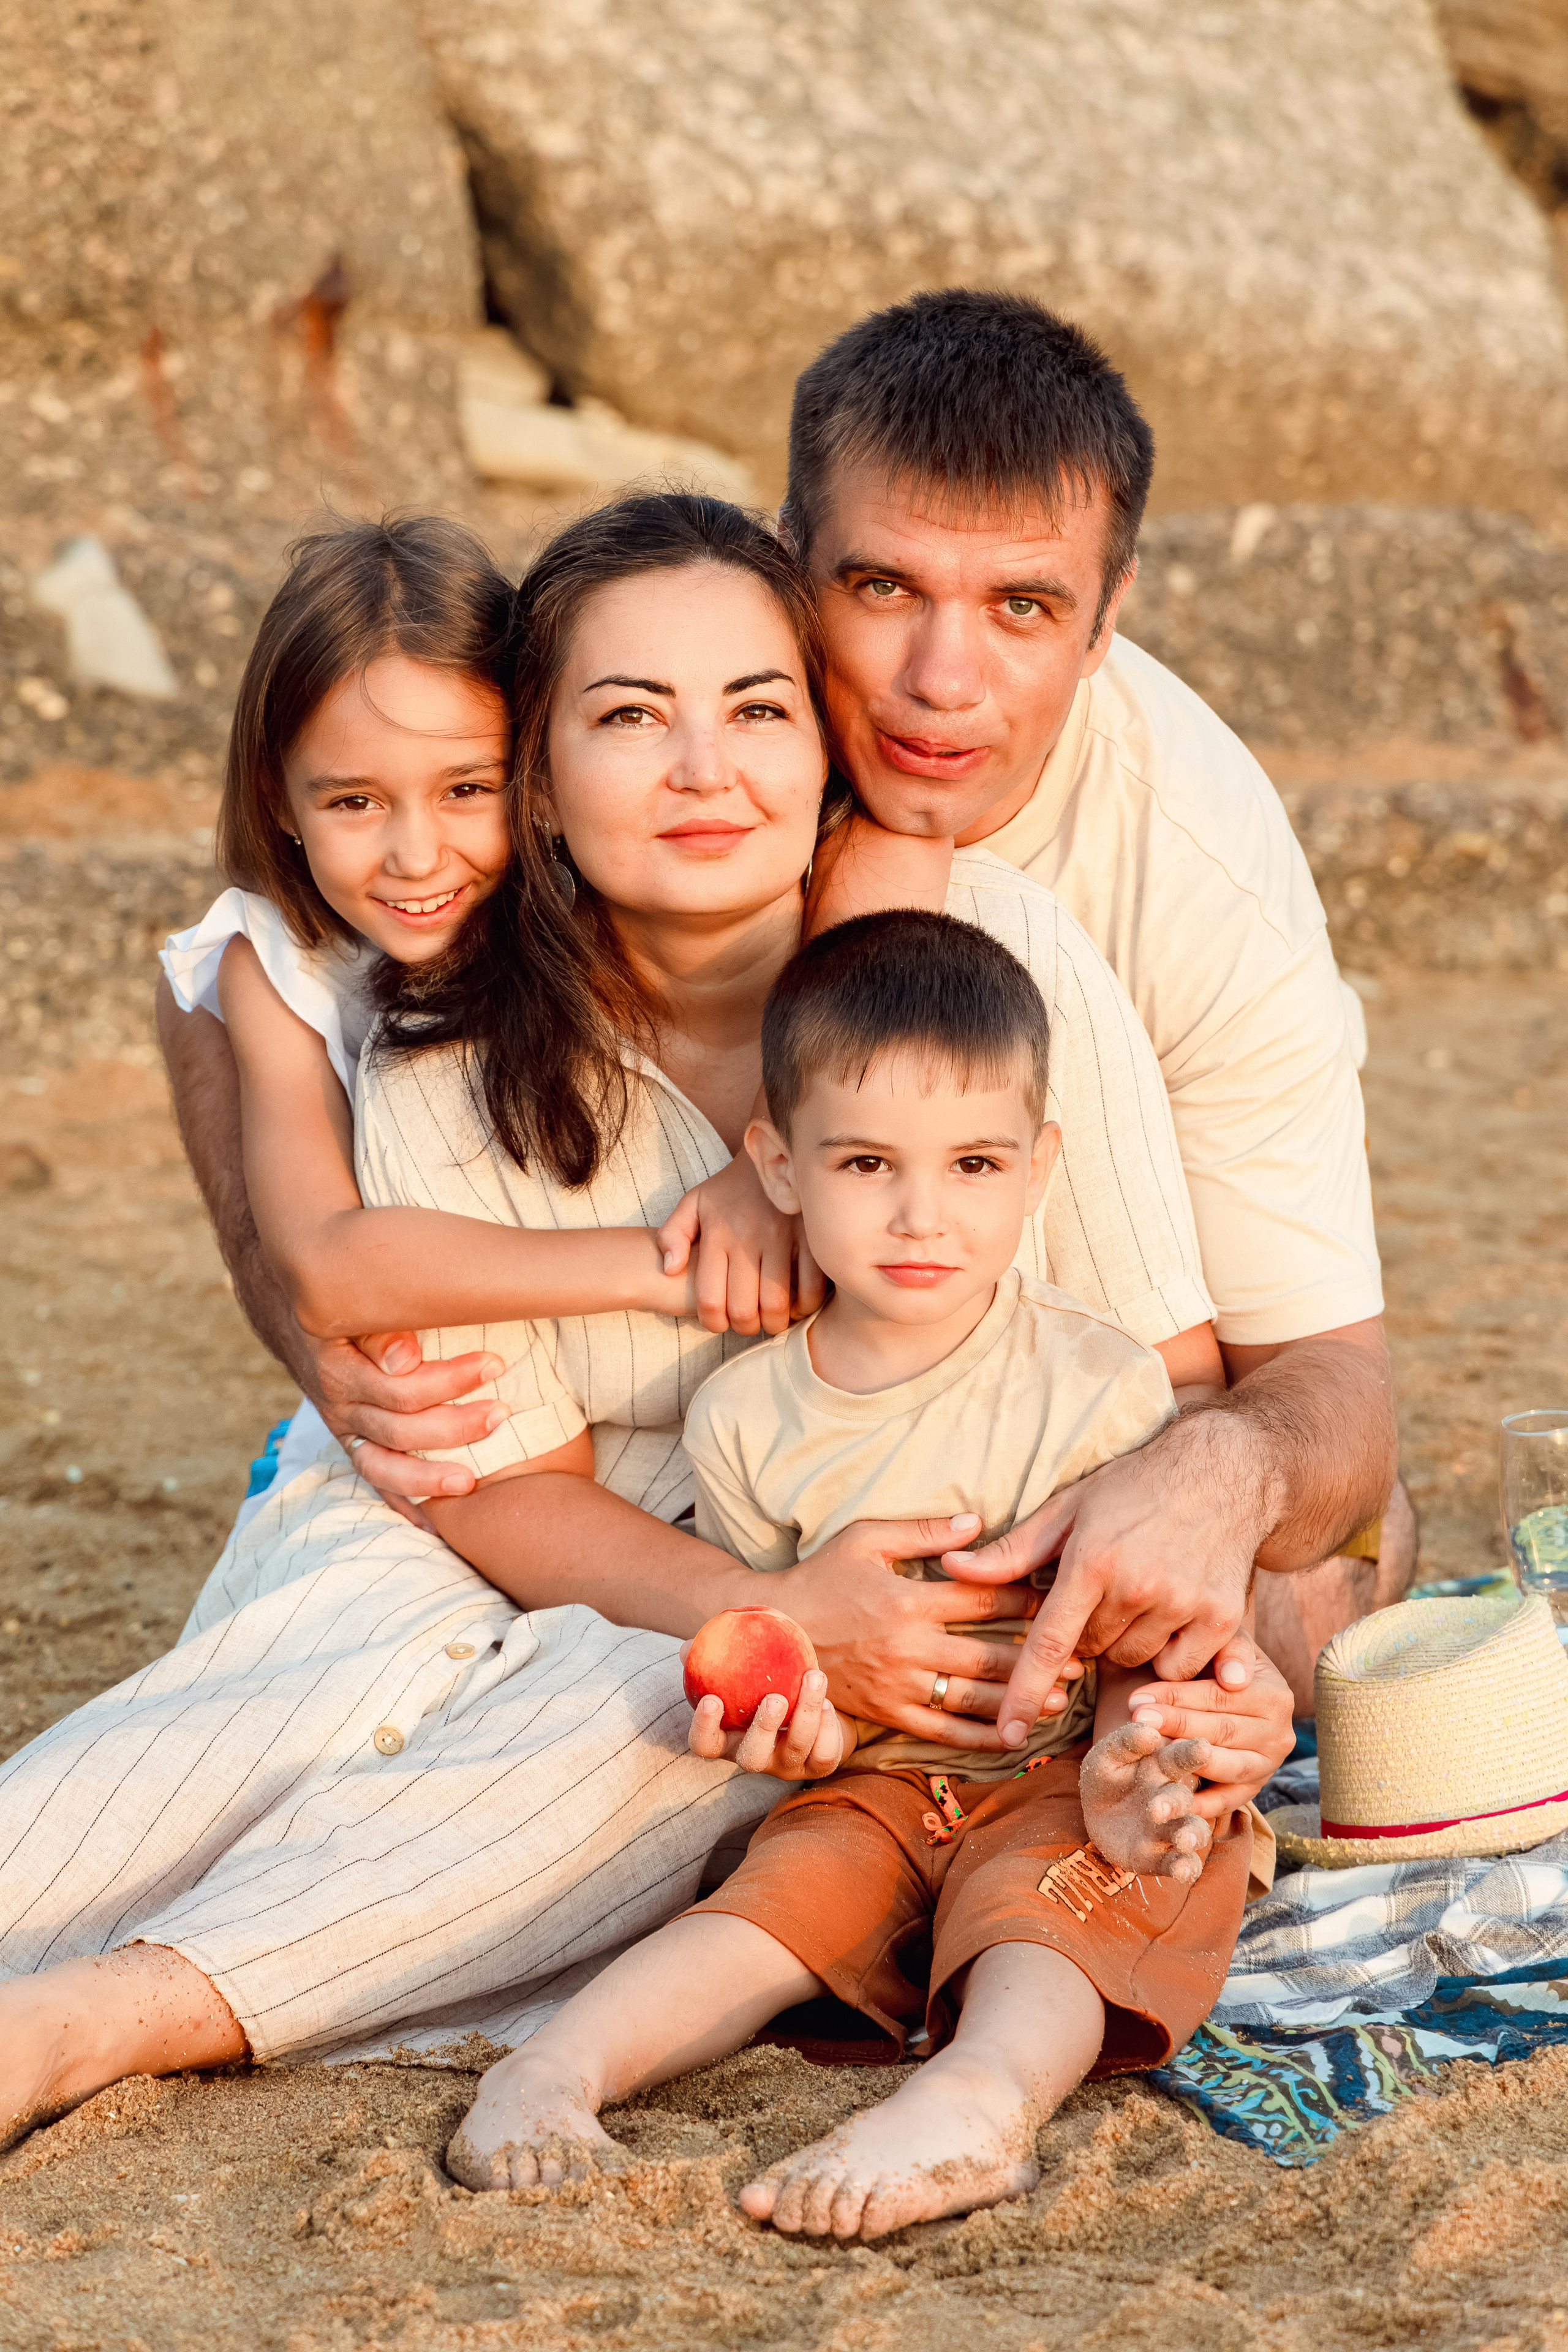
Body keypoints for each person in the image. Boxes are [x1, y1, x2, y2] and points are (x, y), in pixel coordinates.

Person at [0, 494, 1238, 2139]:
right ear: (546, 780)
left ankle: (96, 2022)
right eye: (628, 717)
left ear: (821, 751)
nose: (702, 770)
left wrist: (850, 1614)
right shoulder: (453, 1038)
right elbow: (506, 1480)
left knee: (648, 1719)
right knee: (299, 1671)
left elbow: (1166, 1381)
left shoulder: (980, 968)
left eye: (754, 709)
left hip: (849, 1543)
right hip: (487, 1499)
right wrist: (760, 1592)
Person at [206, 291, 1403, 1722]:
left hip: (1021, 1391)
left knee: (1309, 1581)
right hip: (645, 1439)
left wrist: (1195, 1488)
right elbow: (253, 964)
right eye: (884, 589)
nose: (938, 684)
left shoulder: (1188, 873)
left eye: (1022, 607)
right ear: (788, 561)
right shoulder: (676, 715)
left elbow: (1310, 1373)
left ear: (1105, 616)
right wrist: (331, 1354)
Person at [448, 910, 1291, 2230]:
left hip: (1078, 1768)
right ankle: (553, 2072)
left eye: (970, 1163)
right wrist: (782, 1728)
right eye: (864, 1162)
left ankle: (980, 2101)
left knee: (1057, 1898)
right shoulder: (744, 1421)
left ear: (1037, 1167)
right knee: (773, 1903)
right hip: (881, 1784)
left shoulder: (1098, 1382)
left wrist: (1141, 1762)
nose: (919, 1214)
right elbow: (798, 1671)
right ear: (777, 1166)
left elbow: (1159, 1640)